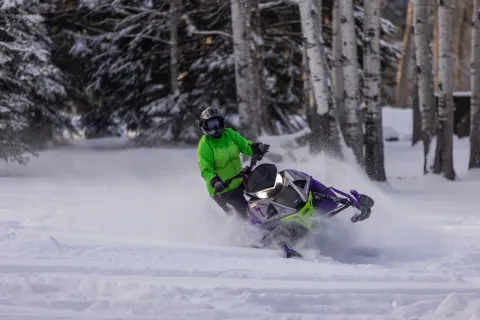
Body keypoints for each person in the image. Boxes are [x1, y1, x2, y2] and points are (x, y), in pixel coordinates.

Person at [196, 107, 269, 218]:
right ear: (204, 126)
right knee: (247, 216)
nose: (215, 129)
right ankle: (254, 234)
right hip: (223, 189)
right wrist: (215, 181)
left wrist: (256, 148)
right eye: (211, 125)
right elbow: (205, 168)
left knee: (266, 191)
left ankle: (275, 217)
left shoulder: (229, 134)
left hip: (239, 179)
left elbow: (245, 146)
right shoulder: (205, 145)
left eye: (217, 123)